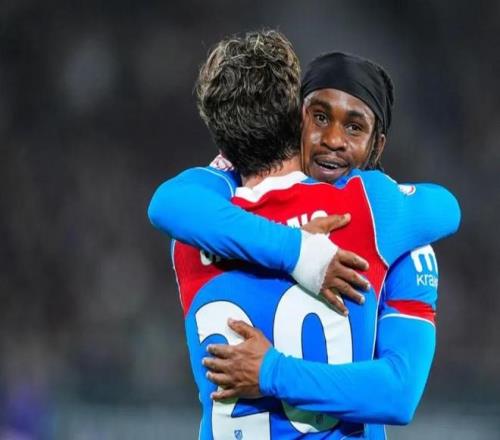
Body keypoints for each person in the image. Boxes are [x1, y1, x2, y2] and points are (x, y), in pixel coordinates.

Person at [148, 30, 460, 439]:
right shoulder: (377, 216)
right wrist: (299, 248)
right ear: (297, 117)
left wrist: (272, 372)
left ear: (377, 144)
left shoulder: (195, 234)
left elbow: (166, 203)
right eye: (320, 118)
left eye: (354, 127)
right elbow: (446, 206)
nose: (333, 140)